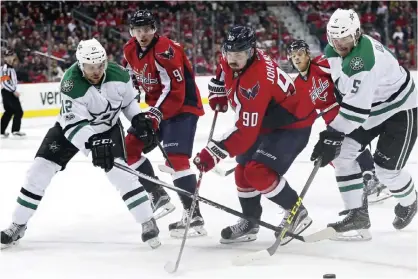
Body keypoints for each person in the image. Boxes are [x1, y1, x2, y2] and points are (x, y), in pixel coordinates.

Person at [0, 39, 161, 250]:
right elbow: (73, 124)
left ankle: (147, 220)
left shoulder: (120, 74)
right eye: (90, 67)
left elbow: (129, 101)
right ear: (80, 64)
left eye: (100, 65)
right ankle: (18, 224)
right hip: (70, 130)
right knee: (39, 170)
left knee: (121, 174)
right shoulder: (70, 83)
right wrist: (92, 144)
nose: (96, 71)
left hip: (108, 128)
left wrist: (138, 118)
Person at [193, 26, 316, 245]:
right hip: (267, 121)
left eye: (238, 55)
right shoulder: (235, 58)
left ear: (251, 52)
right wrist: (218, 91)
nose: (232, 59)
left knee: (257, 171)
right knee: (242, 169)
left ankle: (296, 211)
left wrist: (212, 152)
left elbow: (245, 133)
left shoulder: (255, 81)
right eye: (229, 53)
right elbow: (223, 71)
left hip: (292, 124)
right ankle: (250, 222)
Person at [310, 9, 417, 240]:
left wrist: (331, 134)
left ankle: (410, 201)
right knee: (341, 156)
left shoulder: (364, 60)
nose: (340, 44)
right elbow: (347, 91)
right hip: (371, 108)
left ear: (357, 34)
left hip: (400, 109)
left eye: (346, 38)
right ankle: (357, 215)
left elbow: (356, 112)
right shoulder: (332, 50)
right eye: (335, 38)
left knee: (387, 171)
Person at [122, 10, 206, 238]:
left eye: (147, 29)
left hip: (183, 106)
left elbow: (174, 90)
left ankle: (194, 215)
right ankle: (157, 193)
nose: (142, 34)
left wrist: (155, 114)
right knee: (129, 147)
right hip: (158, 108)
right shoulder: (130, 49)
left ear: (154, 29)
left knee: (176, 158)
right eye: (137, 30)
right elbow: (129, 76)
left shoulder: (165, 50)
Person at [287, 39, 391, 204]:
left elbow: (346, 71)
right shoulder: (297, 85)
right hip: (332, 121)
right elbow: (300, 111)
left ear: (307, 54)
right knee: (334, 155)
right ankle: (362, 179)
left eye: (300, 54)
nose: (297, 58)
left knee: (354, 144)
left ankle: (372, 177)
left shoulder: (321, 63)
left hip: (347, 112)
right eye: (293, 56)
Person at [1, 49, 25, 138]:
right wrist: (13, 91)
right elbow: (4, 82)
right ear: (5, 58)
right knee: (18, 111)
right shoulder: (5, 68)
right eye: (8, 56)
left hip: (8, 92)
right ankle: (15, 130)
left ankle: (1, 131)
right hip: (8, 92)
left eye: (11, 56)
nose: (10, 58)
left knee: (9, 111)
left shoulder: (10, 68)